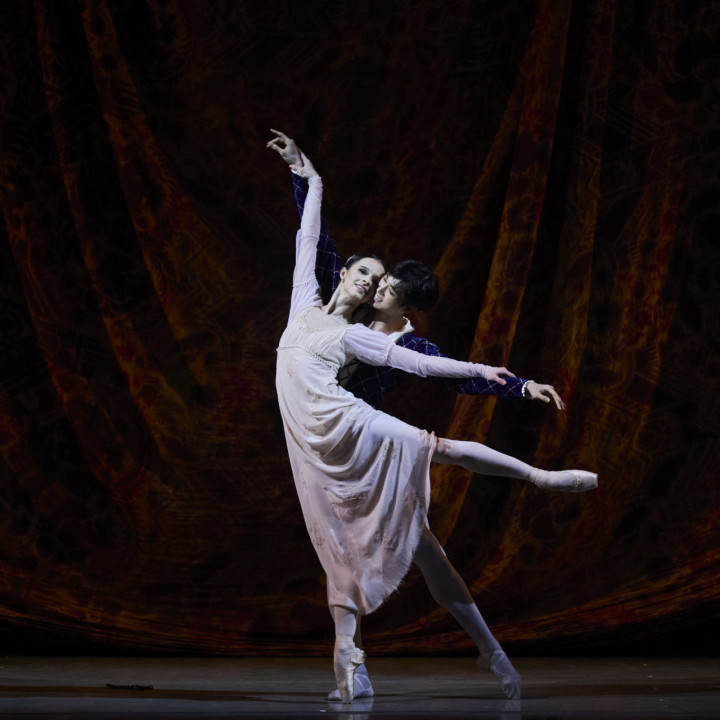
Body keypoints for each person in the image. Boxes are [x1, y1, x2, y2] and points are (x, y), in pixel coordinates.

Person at [268, 131, 591, 702]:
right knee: (342, 553)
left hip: (368, 448)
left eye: (385, 286)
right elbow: (314, 242)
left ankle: (491, 649)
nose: (375, 287)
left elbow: (446, 373)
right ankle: (354, 670)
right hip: (326, 448)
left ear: (404, 305)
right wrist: (305, 176)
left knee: (430, 554)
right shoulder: (338, 308)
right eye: (372, 278)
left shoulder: (403, 345)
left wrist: (516, 383)